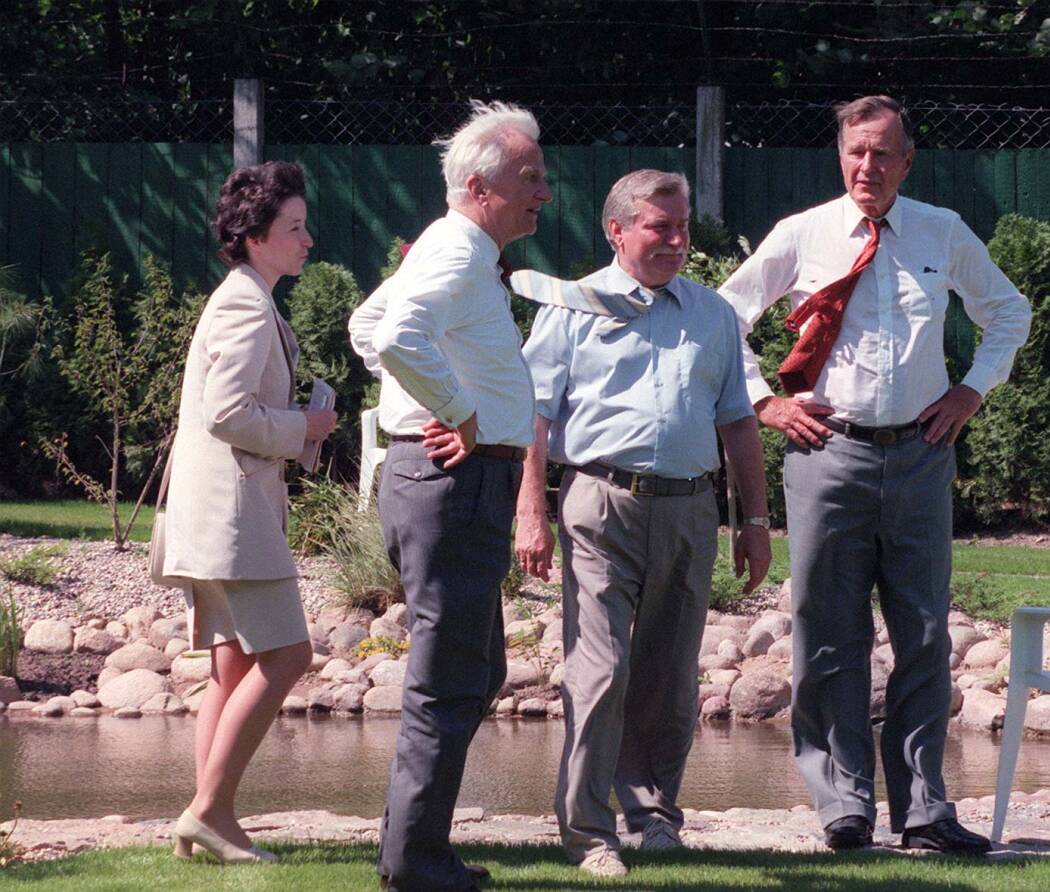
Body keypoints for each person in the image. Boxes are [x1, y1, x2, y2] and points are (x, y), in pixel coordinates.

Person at [718, 95, 1031, 855]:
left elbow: (1009, 312)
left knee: (923, 634)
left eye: (884, 153)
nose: (869, 167)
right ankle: (842, 807)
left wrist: (971, 390)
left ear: (907, 160)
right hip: (829, 453)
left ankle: (924, 809)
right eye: (857, 152)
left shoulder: (940, 231)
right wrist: (765, 403)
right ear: (840, 155)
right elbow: (724, 315)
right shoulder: (803, 235)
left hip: (922, 452)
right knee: (827, 634)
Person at [513, 169, 772, 878]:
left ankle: (655, 816)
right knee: (600, 670)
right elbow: (533, 414)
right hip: (599, 503)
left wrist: (755, 518)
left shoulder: (713, 314)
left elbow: (739, 419)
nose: (677, 240)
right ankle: (589, 833)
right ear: (618, 230)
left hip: (691, 508)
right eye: (661, 227)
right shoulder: (573, 309)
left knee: (668, 675)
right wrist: (530, 509)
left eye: (681, 226)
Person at [348, 100, 551, 892]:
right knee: (451, 676)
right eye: (530, 179)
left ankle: (414, 851)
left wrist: (423, 404)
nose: (544, 192)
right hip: (455, 483)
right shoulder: (460, 251)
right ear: (479, 187)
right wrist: (455, 411)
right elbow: (392, 336)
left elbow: (370, 323)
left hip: (451, 482)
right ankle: (416, 864)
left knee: (475, 665)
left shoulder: (453, 248)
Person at [162, 160, 338, 864]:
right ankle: (209, 813)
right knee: (289, 653)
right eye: (294, 229)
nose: (308, 241)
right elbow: (228, 413)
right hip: (230, 519)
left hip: (217, 515)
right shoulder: (242, 302)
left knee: (232, 669)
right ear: (256, 237)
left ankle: (206, 823)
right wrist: (306, 426)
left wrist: (300, 425)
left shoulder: (250, 297)